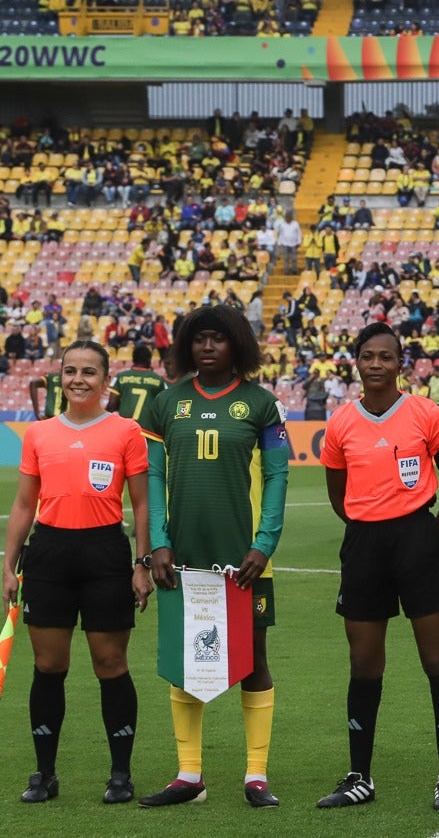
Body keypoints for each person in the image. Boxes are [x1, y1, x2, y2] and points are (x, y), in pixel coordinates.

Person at [137, 305, 290, 808]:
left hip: (244, 559)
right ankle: (189, 776)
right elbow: (153, 478)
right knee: (185, 660)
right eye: (199, 339)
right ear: (186, 345)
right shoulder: (165, 404)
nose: (208, 347)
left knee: (255, 661)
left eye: (218, 339)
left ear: (237, 345)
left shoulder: (261, 404)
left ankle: (256, 776)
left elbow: (276, 477)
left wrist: (263, 544)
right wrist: (158, 541)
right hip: (181, 557)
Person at [318, 322, 439, 812]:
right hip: (363, 545)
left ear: (401, 364)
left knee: (437, 659)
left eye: (386, 356)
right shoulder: (341, 422)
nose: (377, 364)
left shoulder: (425, 413)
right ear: (356, 362)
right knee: (363, 662)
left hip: (416, 541)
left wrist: (428, 533)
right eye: (368, 356)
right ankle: (359, 776)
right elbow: (338, 497)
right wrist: (369, 525)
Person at [2, 341, 152, 805]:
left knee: (111, 665)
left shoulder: (127, 431)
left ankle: (120, 775)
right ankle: (44, 774)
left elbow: (144, 503)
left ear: (107, 379)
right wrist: (8, 564)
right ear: (59, 378)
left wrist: (142, 562)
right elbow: (26, 504)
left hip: (105, 553)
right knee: (49, 666)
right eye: (70, 371)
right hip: (49, 553)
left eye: (89, 371)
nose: (79, 379)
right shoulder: (39, 434)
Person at [107, 344, 168, 421]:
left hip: (126, 429)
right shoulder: (159, 380)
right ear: (149, 360)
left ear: (133, 359)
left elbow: (112, 404)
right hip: (148, 430)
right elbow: (164, 406)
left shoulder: (120, 377)